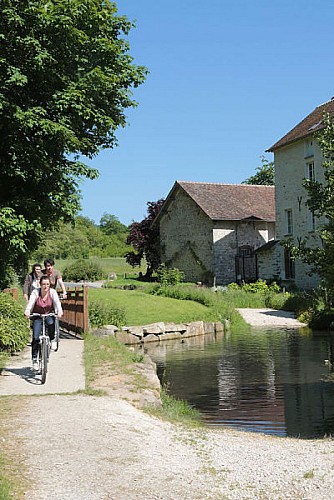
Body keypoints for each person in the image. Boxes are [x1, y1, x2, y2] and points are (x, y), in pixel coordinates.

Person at [24, 275, 63, 371]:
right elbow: (31, 302)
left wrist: (59, 311)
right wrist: (28, 310)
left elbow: (57, 303)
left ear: (50, 285)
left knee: (51, 323)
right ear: (40, 285)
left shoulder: (52, 292)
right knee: (35, 337)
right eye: (43, 284)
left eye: (47, 284)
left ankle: (52, 339)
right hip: (38, 315)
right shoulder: (35, 292)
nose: (46, 286)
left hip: (48, 314)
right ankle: (34, 360)